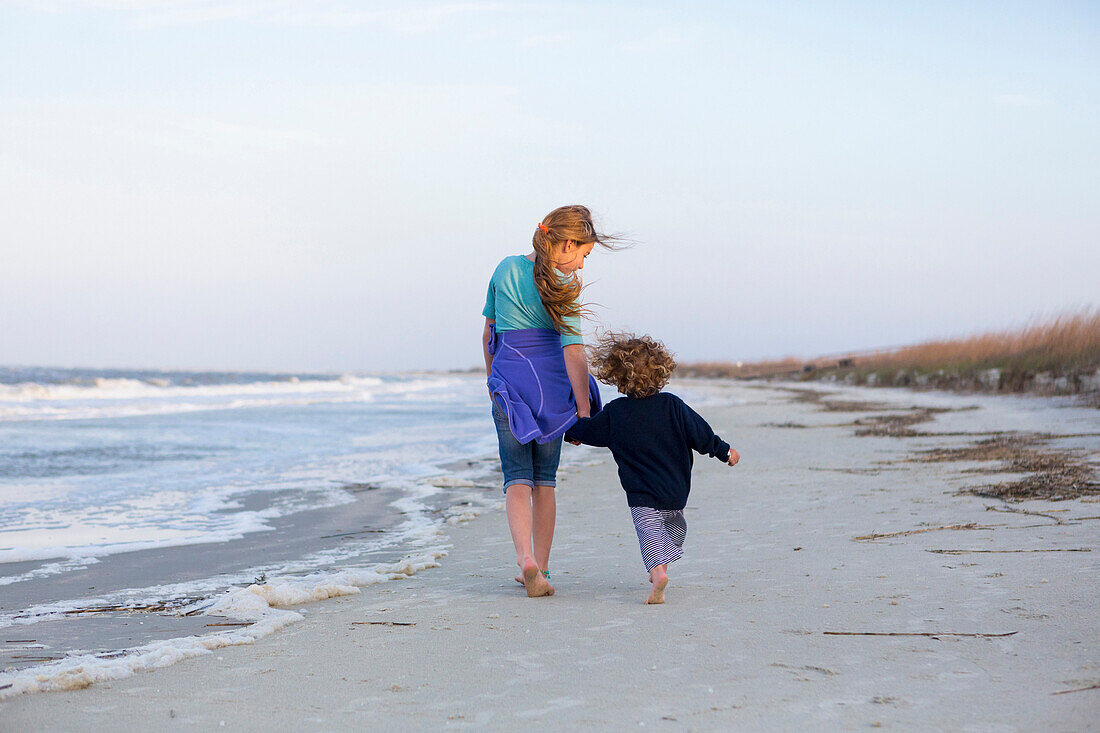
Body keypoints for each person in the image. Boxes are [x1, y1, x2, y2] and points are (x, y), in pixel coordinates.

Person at [482, 205, 616, 598]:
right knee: (545, 480)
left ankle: (524, 559)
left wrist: (493, 381)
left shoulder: (505, 268)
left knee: (516, 479)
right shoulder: (564, 285)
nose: (582, 265)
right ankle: (541, 565)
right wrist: (584, 410)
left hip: (509, 382)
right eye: (584, 255)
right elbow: (573, 351)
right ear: (568, 243)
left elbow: (489, 333)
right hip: (550, 390)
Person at [564, 333, 740, 604]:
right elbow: (702, 434)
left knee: (649, 531)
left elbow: (590, 430)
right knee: (673, 530)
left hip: (641, 494)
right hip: (676, 490)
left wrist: (573, 432)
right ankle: (661, 571)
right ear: (660, 372)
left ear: (619, 377)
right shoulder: (673, 406)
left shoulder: (616, 412)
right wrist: (725, 451)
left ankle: (657, 573)